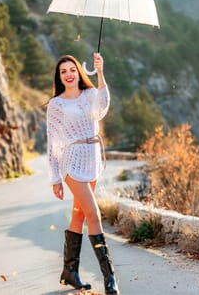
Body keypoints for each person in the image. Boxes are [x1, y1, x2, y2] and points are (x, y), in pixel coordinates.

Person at [46, 53, 120, 295]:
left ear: (79, 71)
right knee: (93, 213)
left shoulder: (89, 95)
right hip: (71, 161)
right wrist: (55, 178)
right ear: (59, 77)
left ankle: (69, 272)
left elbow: (102, 108)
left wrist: (99, 72)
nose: (68, 74)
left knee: (78, 215)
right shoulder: (56, 105)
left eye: (72, 69)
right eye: (63, 71)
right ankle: (110, 279)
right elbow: (52, 143)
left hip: (92, 157)